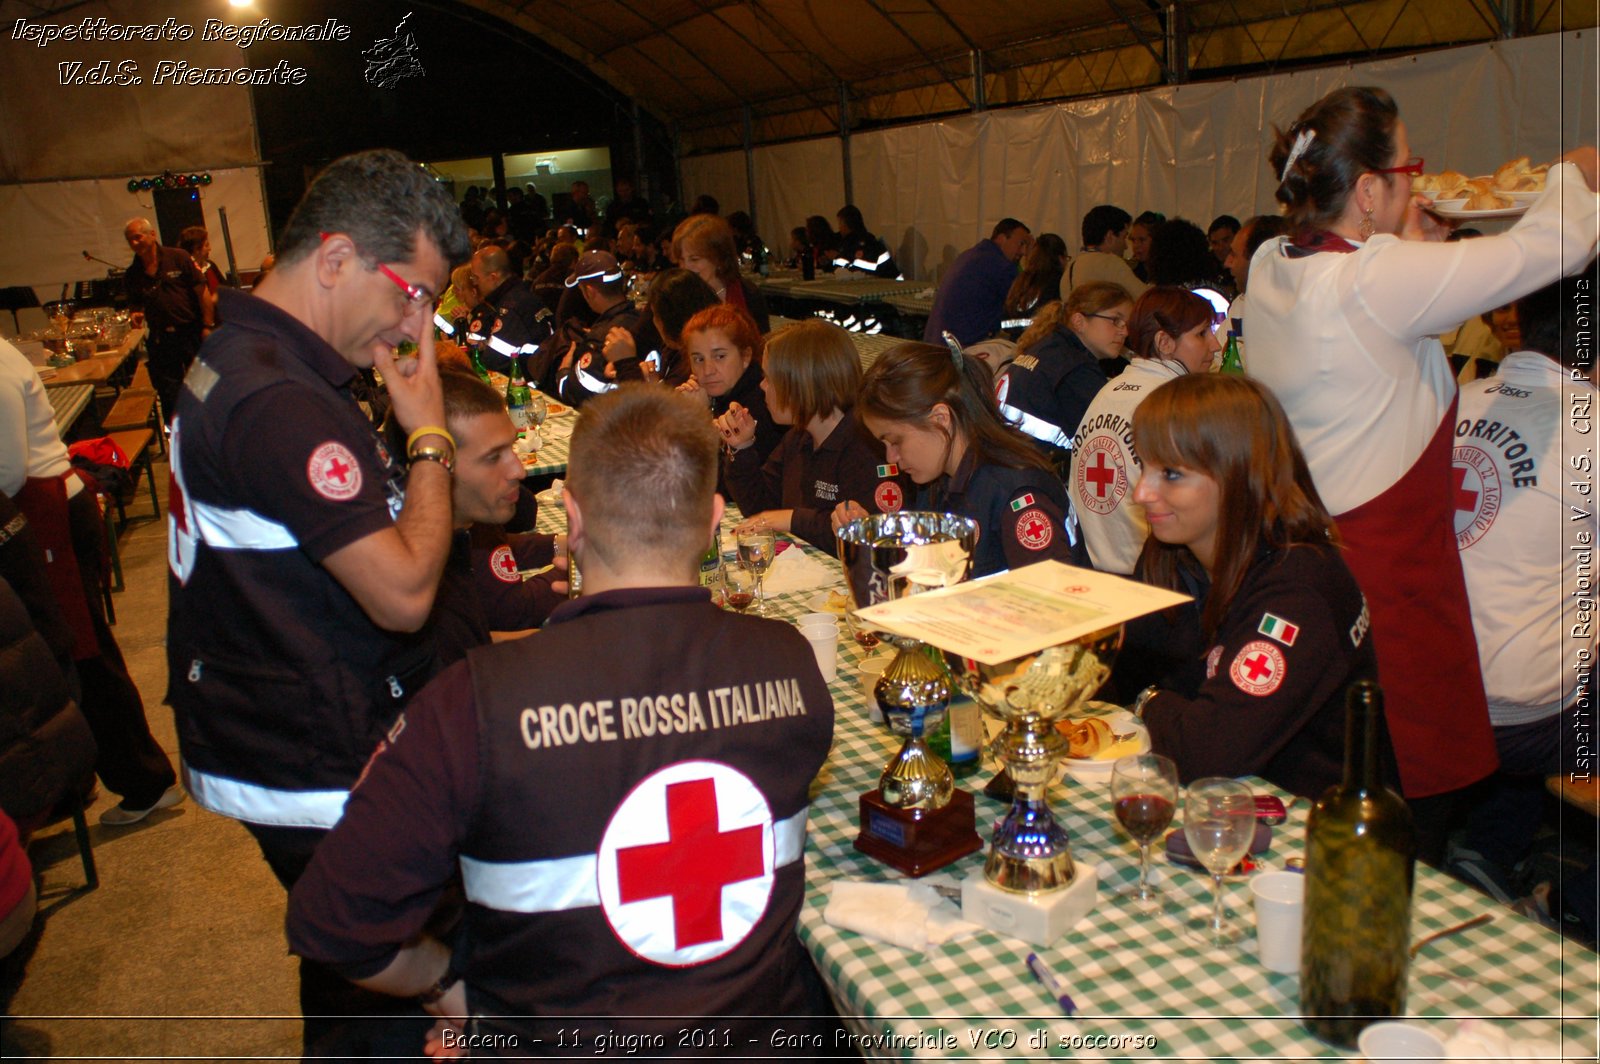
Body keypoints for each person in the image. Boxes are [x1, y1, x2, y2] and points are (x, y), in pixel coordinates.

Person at [285, 384, 837, 1053]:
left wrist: (450, 985)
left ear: (571, 517)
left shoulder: (475, 704)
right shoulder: (792, 665)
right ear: (716, 515)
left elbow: (333, 920)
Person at [165, 148, 469, 1054]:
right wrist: (428, 438)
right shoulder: (277, 401)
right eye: (413, 292)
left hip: (271, 714)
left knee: (344, 986)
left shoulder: (243, 358)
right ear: (335, 260)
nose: (422, 323)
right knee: (381, 954)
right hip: (311, 750)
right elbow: (406, 594)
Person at [1245, 85, 1598, 857]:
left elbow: (1377, 340)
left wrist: (1416, 248)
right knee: (1397, 824)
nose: (1417, 180)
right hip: (1389, 588)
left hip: (1319, 566)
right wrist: (1573, 176)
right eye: (1409, 168)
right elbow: (1560, 249)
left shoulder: (1272, 265)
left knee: (1339, 799)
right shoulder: (1370, 283)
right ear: (1369, 189)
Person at [1120, 373, 1384, 800]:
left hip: (1311, 827)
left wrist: (1148, 699)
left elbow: (1206, 750)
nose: (1141, 492)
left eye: (1170, 473)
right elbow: (1127, 655)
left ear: (1239, 474)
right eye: (1143, 467)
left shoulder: (1300, 589)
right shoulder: (1173, 553)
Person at [1448, 266, 1597, 895]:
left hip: (1427, 691)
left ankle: (1491, 843)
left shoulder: (1453, 402)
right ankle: (1578, 901)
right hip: (1532, 720)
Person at [1, 340, 179, 826]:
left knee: (82, 650)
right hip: (47, 505)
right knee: (70, 650)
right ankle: (84, 783)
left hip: (46, 507)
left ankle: (144, 781)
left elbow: (9, 469)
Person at [838, 341, 1079, 578]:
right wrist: (872, 542)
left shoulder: (1016, 493)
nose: (891, 457)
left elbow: (1055, 604)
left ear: (941, 418)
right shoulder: (936, 482)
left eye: (896, 441)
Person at [385, 368, 566, 665]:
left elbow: (472, 644)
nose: (518, 470)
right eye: (493, 457)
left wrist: (560, 545)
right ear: (433, 466)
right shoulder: (409, 581)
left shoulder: (452, 539)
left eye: (511, 447)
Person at [720, 320, 909, 550]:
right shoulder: (799, 438)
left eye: (770, 378)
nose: (762, 386)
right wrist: (742, 447)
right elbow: (761, 510)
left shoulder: (868, 446)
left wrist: (791, 519)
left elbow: (872, 535)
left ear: (801, 384)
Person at [1071, 287, 1218, 575]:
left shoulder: (1108, 391)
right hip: (1152, 577)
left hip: (1092, 568)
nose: (1214, 345)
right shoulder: (1171, 405)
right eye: (1202, 334)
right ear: (1164, 342)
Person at [995, 281, 1133, 473]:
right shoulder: (1075, 370)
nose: (1124, 331)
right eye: (1115, 320)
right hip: (1026, 473)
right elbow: (1113, 443)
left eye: (1127, 323)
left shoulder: (1049, 347)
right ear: (1079, 321)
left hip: (1004, 463)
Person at [680, 305, 785, 483]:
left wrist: (699, 421)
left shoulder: (765, 403)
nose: (707, 370)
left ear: (745, 356)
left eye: (719, 356)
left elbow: (718, 487)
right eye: (698, 359)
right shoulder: (709, 396)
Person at [123, 216, 213, 423]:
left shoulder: (178, 257)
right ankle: (176, 436)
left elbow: (202, 292)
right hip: (161, 338)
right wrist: (135, 314)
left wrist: (207, 326)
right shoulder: (132, 274)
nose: (134, 243)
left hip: (190, 332)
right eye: (130, 240)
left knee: (202, 385)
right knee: (169, 391)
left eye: (138, 237)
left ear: (152, 235)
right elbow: (135, 305)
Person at [554, 251, 662, 407]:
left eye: (581, 290)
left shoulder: (604, 338)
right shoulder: (644, 320)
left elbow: (574, 393)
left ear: (590, 291)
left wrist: (563, 372)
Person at [598, 267, 720, 391]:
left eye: (655, 315)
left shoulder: (694, 367)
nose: (653, 321)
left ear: (671, 321)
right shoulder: (679, 347)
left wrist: (625, 363)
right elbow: (641, 336)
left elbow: (651, 408)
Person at [922, 218, 1033, 345]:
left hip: (937, 342)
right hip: (960, 350)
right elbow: (1027, 304)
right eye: (1021, 244)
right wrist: (1033, 262)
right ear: (1002, 239)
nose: (1024, 252)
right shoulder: (1000, 266)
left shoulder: (972, 255)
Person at [671, 214, 771, 331]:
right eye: (681, 260)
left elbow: (762, 341)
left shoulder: (748, 293)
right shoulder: (676, 296)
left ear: (718, 257)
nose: (686, 267)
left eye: (694, 259)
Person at [468, 244, 551, 376]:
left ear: (493, 277)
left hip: (529, 384)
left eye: (476, 277)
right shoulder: (518, 293)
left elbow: (493, 361)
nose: (475, 283)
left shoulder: (511, 307)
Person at [1221, 214, 1289, 336]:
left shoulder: (1300, 313)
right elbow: (1218, 352)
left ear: (1259, 259)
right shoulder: (1240, 305)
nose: (1227, 263)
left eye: (1234, 255)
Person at [1067, 205, 1148, 297]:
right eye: (1124, 237)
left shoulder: (1070, 268)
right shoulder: (1110, 263)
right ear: (1110, 236)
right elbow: (1145, 299)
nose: (1125, 246)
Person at [1002, 232, 1067, 328]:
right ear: (1060, 258)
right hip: (1039, 338)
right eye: (1066, 258)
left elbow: (1006, 318)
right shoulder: (1057, 281)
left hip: (1013, 338)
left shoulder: (1020, 280)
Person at [833, 205, 901, 278]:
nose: (839, 228)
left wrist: (836, 257)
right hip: (889, 285)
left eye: (840, 223)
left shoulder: (858, 245)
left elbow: (857, 273)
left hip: (884, 286)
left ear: (846, 224)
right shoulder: (868, 242)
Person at [179, 225, 228, 293]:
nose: (210, 249)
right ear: (196, 249)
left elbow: (225, 289)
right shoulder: (186, 271)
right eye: (206, 245)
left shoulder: (210, 265)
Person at [1126, 210, 1164, 283]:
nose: (1136, 246)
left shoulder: (1169, 272)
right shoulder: (1130, 271)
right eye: (1133, 240)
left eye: (1142, 240)